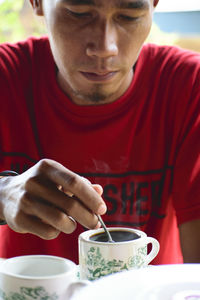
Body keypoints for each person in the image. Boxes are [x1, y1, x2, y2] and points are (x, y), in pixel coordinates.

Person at [0, 0, 199, 265]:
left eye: (129, 16)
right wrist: (4, 193)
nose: (105, 48)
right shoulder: (7, 77)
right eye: (78, 13)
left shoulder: (188, 87)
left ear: (153, 5)